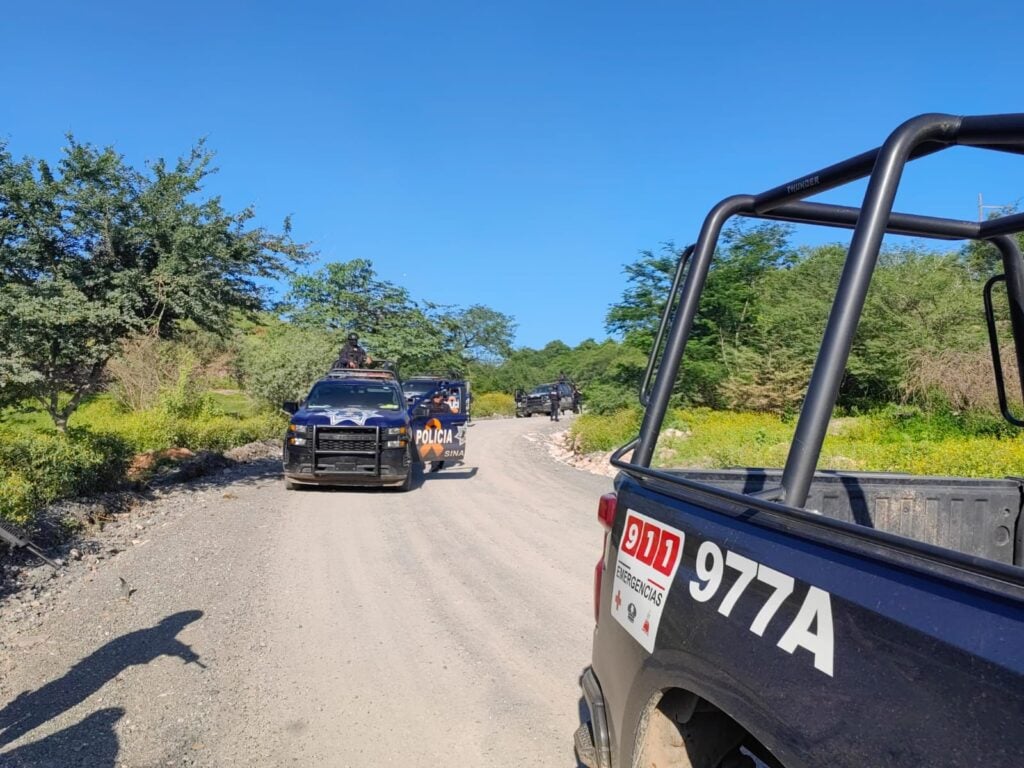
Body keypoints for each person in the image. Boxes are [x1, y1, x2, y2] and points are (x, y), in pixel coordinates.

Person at [427, 391, 451, 472]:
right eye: (437, 397)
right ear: (433, 398)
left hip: (443, 429)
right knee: (434, 448)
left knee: (442, 447)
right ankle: (434, 466)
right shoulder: (428, 406)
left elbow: (449, 417)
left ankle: (439, 465)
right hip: (432, 429)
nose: (439, 398)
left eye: (440, 397)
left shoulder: (446, 406)